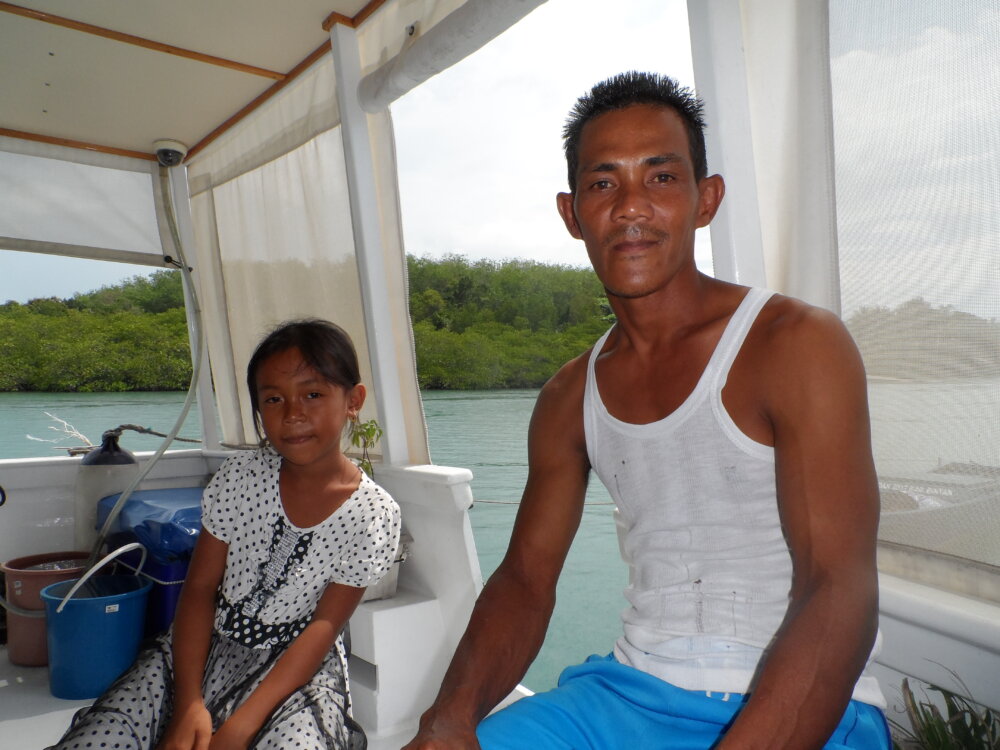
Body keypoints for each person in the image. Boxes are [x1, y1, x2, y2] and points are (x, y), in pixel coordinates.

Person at [404, 72, 889, 749]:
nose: (631, 206)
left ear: (705, 199)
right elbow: (525, 581)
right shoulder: (567, 399)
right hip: (627, 694)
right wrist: (448, 718)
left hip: (806, 703)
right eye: (604, 183)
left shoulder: (796, 345)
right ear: (573, 214)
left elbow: (838, 585)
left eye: (660, 178)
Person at [49, 319, 401, 750]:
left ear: (353, 400)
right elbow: (199, 588)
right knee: (103, 738)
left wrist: (242, 726)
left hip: (297, 668)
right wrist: (188, 704)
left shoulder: (373, 513)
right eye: (273, 399)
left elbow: (324, 626)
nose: (293, 413)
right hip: (202, 645)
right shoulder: (240, 477)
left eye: (312, 394)